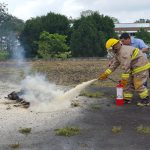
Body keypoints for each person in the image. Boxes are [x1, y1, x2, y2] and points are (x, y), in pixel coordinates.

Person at [99, 38, 150, 106]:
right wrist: (105, 74)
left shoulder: (123, 53)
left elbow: (126, 67)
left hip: (140, 68)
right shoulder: (118, 53)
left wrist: (124, 79)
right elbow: (114, 64)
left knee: (138, 83)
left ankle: (146, 100)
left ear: (115, 46)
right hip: (134, 67)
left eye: (111, 49)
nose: (111, 51)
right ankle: (127, 99)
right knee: (127, 83)